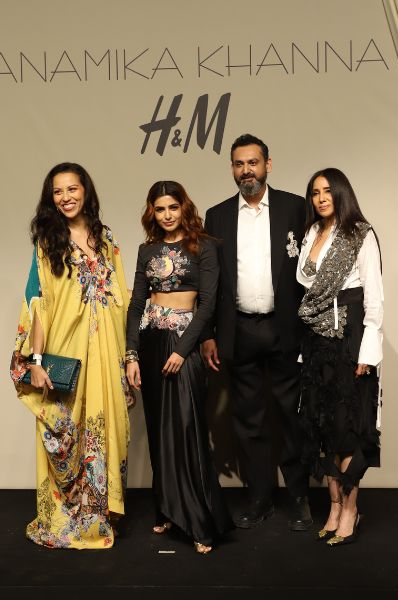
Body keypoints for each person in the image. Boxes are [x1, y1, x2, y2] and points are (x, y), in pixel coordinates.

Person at [10, 163, 131, 549]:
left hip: (106, 355)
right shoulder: (48, 243)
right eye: (58, 191)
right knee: (66, 434)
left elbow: (122, 297)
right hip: (67, 353)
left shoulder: (106, 239)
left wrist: (130, 355)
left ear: (85, 191)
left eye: (72, 189)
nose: (66, 197)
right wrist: (36, 363)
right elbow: (37, 305)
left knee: (109, 430)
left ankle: (100, 515)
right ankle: (66, 520)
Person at [200, 134, 312, 531]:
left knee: (292, 416)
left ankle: (299, 498)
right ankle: (260, 499)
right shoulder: (216, 216)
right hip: (240, 329)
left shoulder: (295, 208)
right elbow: (210, 281)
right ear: (232, 169)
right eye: (239, 164)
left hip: (286, 328)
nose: (246, 170)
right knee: (249, 419)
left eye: (253, 162)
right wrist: (208, 333)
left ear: (268, 165)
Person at [125, 181, 231, 554]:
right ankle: (168, 509)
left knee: (186, 428)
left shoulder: (205, 246)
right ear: (151, 212)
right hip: (151, 343)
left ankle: (200, 522)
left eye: (173, 207)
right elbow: (136, 304)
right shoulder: (146, 250)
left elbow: (209, 305)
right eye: (160, 209)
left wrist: (184, 351)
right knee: (158, 429)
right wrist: (132, 354)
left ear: (184, 207)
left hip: (183, 344)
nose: (167, 215)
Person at [296, 168, 383, 546]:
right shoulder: (312, 232)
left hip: (349, 336)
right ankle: (333, 507)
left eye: (327, 191)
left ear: (341, 193)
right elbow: (307, 285)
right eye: (315, 192)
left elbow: (374, 298)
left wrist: (368, 351)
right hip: (315, 338)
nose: (320, 198)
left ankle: (350, 509)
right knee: (322, 427)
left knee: (347, 429)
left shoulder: (360, 234)